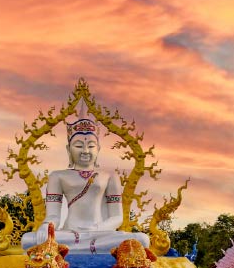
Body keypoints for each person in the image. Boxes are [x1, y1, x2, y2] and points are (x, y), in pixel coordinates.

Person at [20, 106, 150, 254]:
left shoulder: (110, 176)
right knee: (28, 240)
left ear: (98, 149)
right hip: (69, 234)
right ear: (68, 149)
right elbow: (53, 215)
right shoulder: (57, 176)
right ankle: (86, 247)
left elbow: (117, 217)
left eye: (91, 146)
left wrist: (97, 229)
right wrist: (46, 227)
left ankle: (72, 249)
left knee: (142, 239)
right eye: (78, 146)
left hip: (101, 234)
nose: (85, 151)